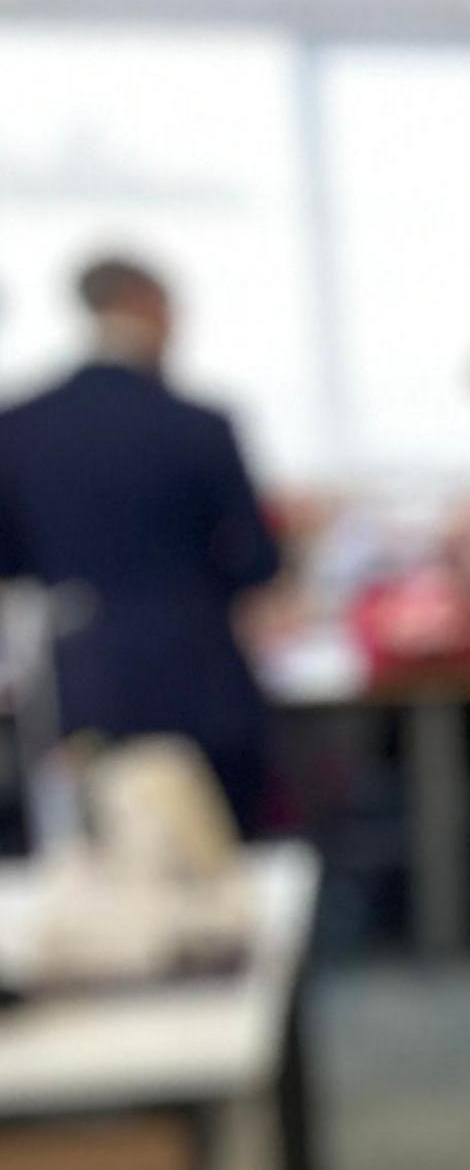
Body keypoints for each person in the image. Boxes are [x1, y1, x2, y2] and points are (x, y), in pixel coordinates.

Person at [0, 257, 284, 833]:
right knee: (217, 850)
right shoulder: (199, 424)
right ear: (147, 302)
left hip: (76, 681)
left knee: (94, 851)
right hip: (199, 676)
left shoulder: (18, 425)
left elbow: (11, 559)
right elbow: (256, 559)